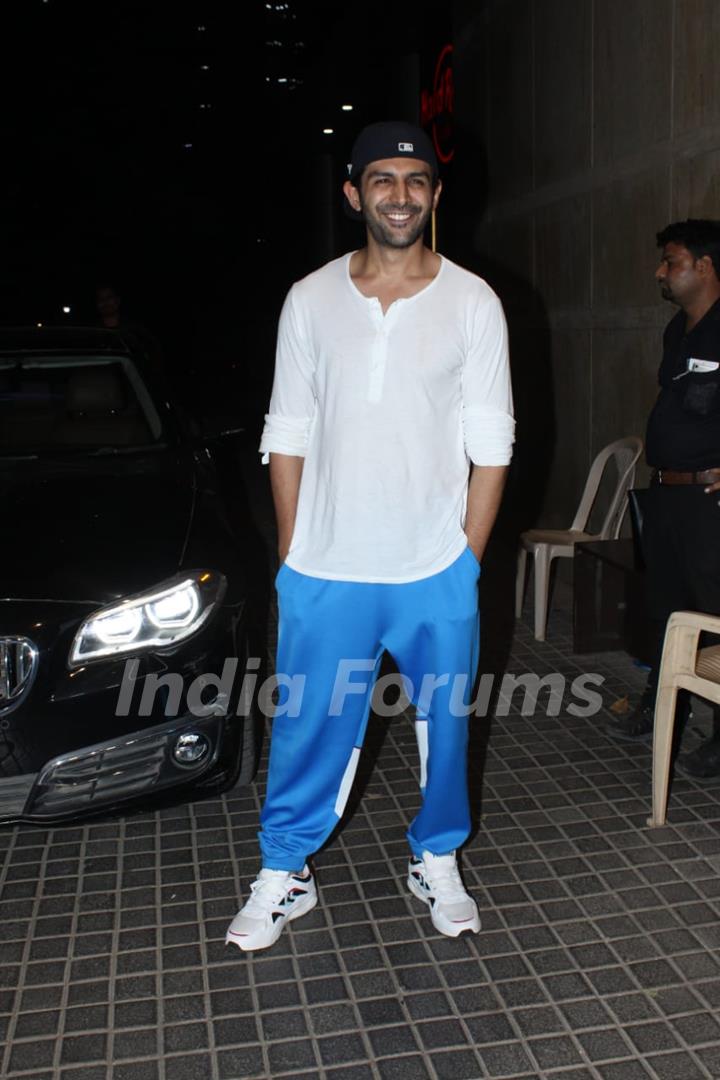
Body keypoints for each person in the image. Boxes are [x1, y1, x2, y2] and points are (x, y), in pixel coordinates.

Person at [226, 121, 514, 952]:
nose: (399, 194)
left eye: (415, 180)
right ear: (354, 194)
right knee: (310, 724)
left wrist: (467, 563)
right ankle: (285, 871)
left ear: (434, 194)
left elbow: (491, 444)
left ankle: (437, 857)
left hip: (434, 567)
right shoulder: (310, 298)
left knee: (446, 725)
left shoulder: (473, 301)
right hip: (327, 565)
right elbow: (286, 432)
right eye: (381, 180)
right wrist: (292, 555)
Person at [608, 219, 720, 777]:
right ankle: (662, 711)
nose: (660, 271)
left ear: (704, 266)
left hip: (709, 501)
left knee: (715, 614)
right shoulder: (678, 330)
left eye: (670, 260)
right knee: (668, 612)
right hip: (669, 495)